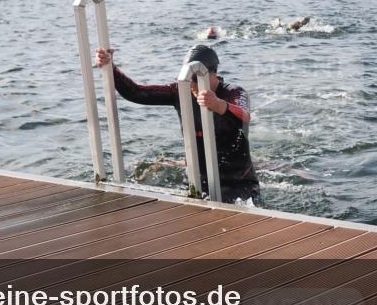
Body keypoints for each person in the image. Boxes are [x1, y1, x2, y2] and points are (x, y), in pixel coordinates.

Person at [94, 44, 260, 205]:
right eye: (189, 78)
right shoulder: (181, 90)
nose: (192, 84)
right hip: (197, 180)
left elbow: (244, 116)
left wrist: (219, 104)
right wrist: (111, 68)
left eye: (196, 78)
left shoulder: (233, 92)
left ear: (213, 73)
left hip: (237, 182)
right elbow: (137, 92)